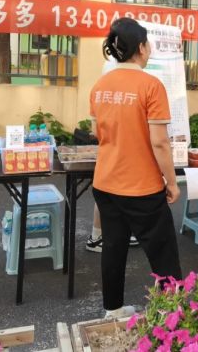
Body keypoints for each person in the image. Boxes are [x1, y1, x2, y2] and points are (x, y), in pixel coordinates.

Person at [90, 18, 182, 319]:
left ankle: (113, 310)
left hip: (105, 183)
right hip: (142, 186)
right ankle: (172, 316)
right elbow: (160, 143)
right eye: (147, 43)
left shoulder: (100, 86)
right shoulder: (151, 85)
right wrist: (172, 182)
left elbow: (96, 132)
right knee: (163, 252)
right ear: (141, 48)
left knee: (113, 248)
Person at [86, 56, 139, 252]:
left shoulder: (101, 90)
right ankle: (98, 236)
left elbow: (95, 130)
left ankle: (99, 235)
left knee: (107, 195)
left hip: (109, 152)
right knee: (114, 195)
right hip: (120, 152)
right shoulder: (119, 89)